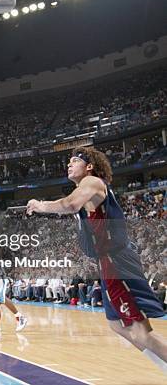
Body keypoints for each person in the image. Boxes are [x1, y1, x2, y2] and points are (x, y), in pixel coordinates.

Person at [26, 146, 166, 374]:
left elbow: (70, 204)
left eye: (74, 161)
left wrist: (40, 205)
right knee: (116, 325)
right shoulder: (87, 190)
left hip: (116, 261)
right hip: (108, 262)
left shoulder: (91, 182)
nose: (69, 165)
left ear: (89, 166)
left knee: (141, 332)